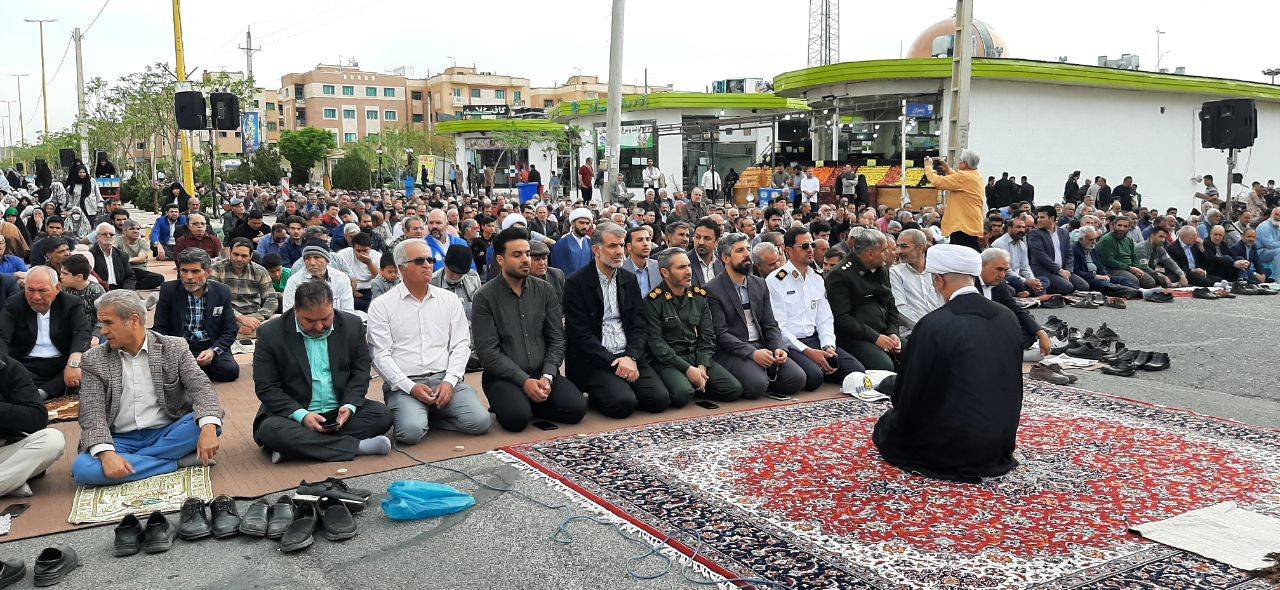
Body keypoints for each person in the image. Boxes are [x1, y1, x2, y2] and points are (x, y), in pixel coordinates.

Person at [872, 245, 1024, 483]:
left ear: (939, 280)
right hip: (998, 444)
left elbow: (908, 394)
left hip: (949, 448)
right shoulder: (1007, 316)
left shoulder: (932, 324)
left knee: (886, 426)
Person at [71, 289, 224, 486]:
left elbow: (201, 388)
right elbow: (92, 413)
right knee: (83, 469)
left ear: (134, 321)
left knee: (208, 424)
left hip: (167, 431)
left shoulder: (174, 347)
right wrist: (107, 454)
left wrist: (208, 428)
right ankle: (175, 462)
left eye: (108, 323)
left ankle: (133, 463)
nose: (103, 331)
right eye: (101, 324)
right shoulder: (93, 359)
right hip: (119, 439)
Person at [253, 280, 394, 463]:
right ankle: (357, 447)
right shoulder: (270, 333)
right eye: (310, 321)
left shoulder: (352, 325)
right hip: (294, 415)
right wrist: (302, 415)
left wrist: (349, 405)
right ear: (296, 311)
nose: (319, 327)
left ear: (332, 307)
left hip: (338, 413)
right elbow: (267, 387)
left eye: (326, 319)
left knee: (382, 415)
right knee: (271, 430)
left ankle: (297, 448)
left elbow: (360, 372)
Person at [472, 228, 587, 432]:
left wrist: (548, 376)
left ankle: (531, 399)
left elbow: (557, 339)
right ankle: (519, 402)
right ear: (500, 259)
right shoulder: (484, 297)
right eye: (517, 255)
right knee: (516, 419)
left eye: (527, 253)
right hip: (504, 376)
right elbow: (487, 352)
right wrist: (524, 381)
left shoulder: (545, 290)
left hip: (542, 372)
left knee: (576, 409)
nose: (525, 259)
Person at [564, 223, 676, 418]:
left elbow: (639, 324)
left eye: (621, 245)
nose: (619, 252)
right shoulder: (576, 282)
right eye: (612, 246)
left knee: (659, 400)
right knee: (623, 404)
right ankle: (603, 390)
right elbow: (579, 334)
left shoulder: (628, 279)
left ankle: (620, 385)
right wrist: (615, 361)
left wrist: (631, 357)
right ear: (596, 250)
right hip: (596, 359)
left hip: (628, 354)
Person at [705, 233, 805, 399]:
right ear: (725, 258)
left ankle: (761, 376)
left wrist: (778, 347)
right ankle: (756, 377)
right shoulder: (712, 289)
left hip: (762, 346)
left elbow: (770, 323)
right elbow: (720, 334)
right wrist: (752, 353)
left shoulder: (759, 283)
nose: (747, 254)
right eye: (740, 251)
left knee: (797, 379)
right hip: (733, 351)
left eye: (747, 249)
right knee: (757, 386)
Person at [645, 247, 744, 403]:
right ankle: (689, 386)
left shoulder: (699, 296)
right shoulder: (653, 301)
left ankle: (697, 386)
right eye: (681, 267)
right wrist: (687, 369)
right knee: (683, 394)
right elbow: (657, 344)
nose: (688, 271)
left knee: (733, 389)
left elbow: (707, 335)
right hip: (670, 361)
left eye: (689, 266)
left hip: (695, 356)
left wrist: (702, 365)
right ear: (665, 272)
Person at [0, 266, 91, 401]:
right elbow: (2, 336)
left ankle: (39, 394)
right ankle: (43, 393)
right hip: (24, 364)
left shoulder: (71, 303)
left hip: (62, 364)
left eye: (42, 291)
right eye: (30, 290)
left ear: (57, 288)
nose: (36, 297)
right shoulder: (14, 303)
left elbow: (82, 332)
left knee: (84, 370)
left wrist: (74, 361)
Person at [152, 248, 241, 383]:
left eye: (195, 271)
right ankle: (190, 369)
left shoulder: (221, 291)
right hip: (180, 345)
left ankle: (190, 371)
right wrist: (175, 352)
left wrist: (213, 351)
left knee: (230, 371)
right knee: (160, 372)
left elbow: (230, 330)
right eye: (184, 271)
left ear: (208, 272)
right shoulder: (169, 290)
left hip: (210, 345)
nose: (189, 277)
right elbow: (159, 329)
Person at [826, 229, 900, 371]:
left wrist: (893, 332)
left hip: (883, 331)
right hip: (856, 337)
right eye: (883, 250)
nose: (887, 254)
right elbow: (842, 318)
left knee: (914, 352)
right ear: (870, 253)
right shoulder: (840, 275)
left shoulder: (881, 269)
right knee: (884, 365)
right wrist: (875, 337)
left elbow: (890, 304)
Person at [0, 354, 64, 497]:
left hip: (5, 450)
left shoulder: (9, 367)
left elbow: (37, 418)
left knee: (53, 440)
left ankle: (10, 482)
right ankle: (11, 482)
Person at [980, 248, 1051, 362]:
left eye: (1005, 271)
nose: (1002, 275)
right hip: (974, 332)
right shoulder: (969, 283)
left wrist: (1041, 333)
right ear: (982, 265)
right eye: (999, 269)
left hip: (993, 333)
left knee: (1029, 332)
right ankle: (1008, 354)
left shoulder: (999, 284)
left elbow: (1016, 309)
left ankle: (999, 353)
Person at [211, 238, 278, 337]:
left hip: (255, 319)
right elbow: (214, 301)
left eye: (244, 256)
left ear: (251, 256)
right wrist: (241, 319)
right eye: (236, 254)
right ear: (230, 252)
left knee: (278, 320)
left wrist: (255, 319)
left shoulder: (260, 271)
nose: (239, 259)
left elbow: (271, 299)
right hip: (226, 318)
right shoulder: (216, 269)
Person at [923, 151, 984, 251]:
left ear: (964, 164)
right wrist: (948, 170)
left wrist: (928, 167)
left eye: (960, 160)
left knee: (963, 253)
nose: (958, 162)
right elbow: (959, 181)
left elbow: (938, 182)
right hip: (969, 222)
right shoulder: (975, 175)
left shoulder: (964, 177)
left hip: (962, 225)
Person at [889, 229, 944, 336]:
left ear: (921, 248)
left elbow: (944, 303)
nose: (898, 251)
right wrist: (926, 328)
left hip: (941, 329)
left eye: (904, 246)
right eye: (898, 246)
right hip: (913, 332)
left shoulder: (936, 272)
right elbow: (899, 308)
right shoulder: (895, 273)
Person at [1027, 206, 1087, 294]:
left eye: (1042, 217)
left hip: (1062, 270)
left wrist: (1068, 270)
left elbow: (1069, 254)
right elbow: (1041, 256)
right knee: (1068, 287)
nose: (1038, 220)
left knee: (1084, 286)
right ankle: (1041, 290)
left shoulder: (1063, 232)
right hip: (1045, 270)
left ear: (1052, 218)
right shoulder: (1035, 233)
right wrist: (1059, 271)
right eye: (1038, 217)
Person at [282, 246, 355, 313]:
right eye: (307, 258)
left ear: (327, 260)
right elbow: (288, 312)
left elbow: (348, 310)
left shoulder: (341, 278)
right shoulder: (294, 281)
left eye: (316, 257)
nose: (312, 263)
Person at [1095, 216, 1157, 289]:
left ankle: (1136, 289)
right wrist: (1130, 268)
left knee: (1150, 282)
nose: (1122, 228)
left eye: (1125, 226)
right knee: (1134, 281)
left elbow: (1133, 257)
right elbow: (1108, 261)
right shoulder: (1107, 240)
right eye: (1119, 225)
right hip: (1112, 269)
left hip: (1128, 268)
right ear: (1114, 225)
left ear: (1129, 228)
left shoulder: (1129, 240)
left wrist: (1136, 268)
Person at [990, 217, 1044, 295]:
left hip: (1019, 277)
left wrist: (1033, 280)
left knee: (1044, 280)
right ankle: (1031, 291)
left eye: (1023, 227)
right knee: (1016, 282)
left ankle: (1028, 292)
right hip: (1005, 278)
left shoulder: (1022, 245)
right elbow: (1005, 271)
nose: (1021, 230)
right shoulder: (1000, 244)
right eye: (1018, 227)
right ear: (1009, 228)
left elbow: (1025, 267)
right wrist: (1026, 281)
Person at [58, 255, 106, 333]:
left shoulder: (96, 290)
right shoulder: (62, 289)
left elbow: (104, 317)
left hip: (93, 332)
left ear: (79, 277)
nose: (61, 276)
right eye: (61, 273)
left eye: (65, 274)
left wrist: (96, 335)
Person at [335, 233, 381, 312]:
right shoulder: (343, 254)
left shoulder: (377, 256)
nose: (362, 253)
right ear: (353, 248)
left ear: (370, 247)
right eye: (358, 251)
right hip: (350, 289)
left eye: (365, 250)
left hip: (371, 289)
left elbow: (379, 278)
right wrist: (352, 290)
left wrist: (369, 263)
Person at [116, 220, 165, 290]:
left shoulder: (143, 242)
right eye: (132, 229)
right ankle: (128, 285)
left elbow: (141, 259)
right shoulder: (117, 240)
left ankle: (126, 285)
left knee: (159, 278)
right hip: (123, 270)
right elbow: (112, 254)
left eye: (138, 229)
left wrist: (124, 261)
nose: (136, 231)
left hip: (138, 271)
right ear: (124, 231)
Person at [87, 223, 136, 291]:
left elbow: (130, 277)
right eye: (104, 234)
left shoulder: (122, 255)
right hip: (100, 290)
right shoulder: (90, 255)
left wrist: (126, 292)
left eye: (111, 234)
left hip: (120, 290)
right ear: (97, 238)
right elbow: (90, 279)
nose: (109, 236)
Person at [549, 207, 593, 275]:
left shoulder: (589, 242)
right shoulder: (561, 244)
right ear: (573, 224)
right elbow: (560, 271)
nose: (585, 226)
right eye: (581, 223)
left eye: (587, 223)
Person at [622, 225, 661, 296]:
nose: (645, 243)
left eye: (648, 239)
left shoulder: (657, 266)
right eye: (639, 240)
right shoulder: (621, 269)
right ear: (629, 247)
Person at [688, 218, 724, 287]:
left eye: (707, 238)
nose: (701, 242)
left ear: (716, 242)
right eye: (697, 237)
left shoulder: (721, 262)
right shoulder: (685, 262)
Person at [1257, 207, 1280, 277]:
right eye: (1276, 214)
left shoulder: (1277, 225)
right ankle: (1277, 277)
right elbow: (1270, 244)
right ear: (1271, 214)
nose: (1278, 217)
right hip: (1260, 252)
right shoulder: (1264, 226)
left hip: (1270, 251)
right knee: (1279, 251)